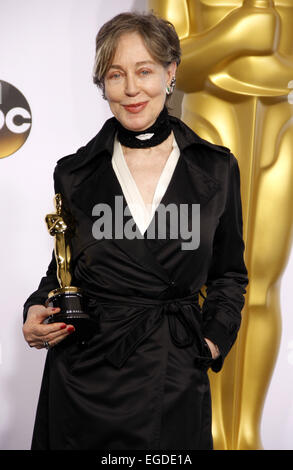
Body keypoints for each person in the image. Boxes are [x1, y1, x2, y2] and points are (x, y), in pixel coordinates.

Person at [22, 11, 249, 450]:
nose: (130, 89)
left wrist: (211, 342)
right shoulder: (74, 173)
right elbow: (63, 269)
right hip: (84, 379)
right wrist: (35, 310)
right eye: (115, 75)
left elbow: (229, 275)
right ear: (102, 84)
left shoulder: (216, 168)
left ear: (170, 72)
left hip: (173, 373)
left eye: (144, 71)